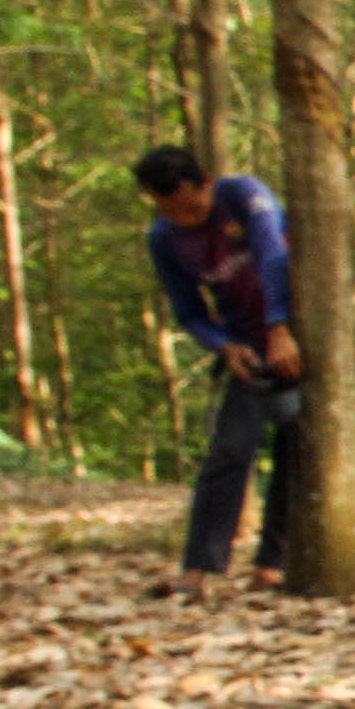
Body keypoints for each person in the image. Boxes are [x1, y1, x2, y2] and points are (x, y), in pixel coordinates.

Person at [134, 145, 302, 595]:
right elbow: (188, 311)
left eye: (191, 208)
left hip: (297, 333)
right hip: (246, 347)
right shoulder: (165, 239)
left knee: (299, 446)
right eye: (170, 212)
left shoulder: (243, 196)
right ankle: (200, 568)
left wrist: (280, 326)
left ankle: (272, 562)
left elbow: (272, 255)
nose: (185, 219)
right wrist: (222, 344)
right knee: (230, 449)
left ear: (205, 182)